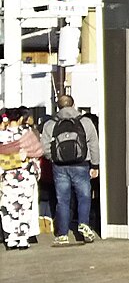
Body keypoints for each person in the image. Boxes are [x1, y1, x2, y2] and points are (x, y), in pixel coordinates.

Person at [40, 94, 100, 246]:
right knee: (84, 196)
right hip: (81, 164)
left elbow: (45, 147)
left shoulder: (50, 124)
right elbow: (93, 143)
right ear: (74, 104)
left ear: (58, 107)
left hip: (59, 167)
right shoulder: (85, 121)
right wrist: (95, 165)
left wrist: (53, 158)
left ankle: (62, 234)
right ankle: (84, 225)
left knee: (63, 200)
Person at [0, 109, 41, 250]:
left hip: (7, 175)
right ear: (19, 119)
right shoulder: (26, 133)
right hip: (24, 175)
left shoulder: (1, 135)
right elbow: (37, 152)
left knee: (8, 207)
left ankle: (10, 238)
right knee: (24, 207)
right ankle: (23, 238)